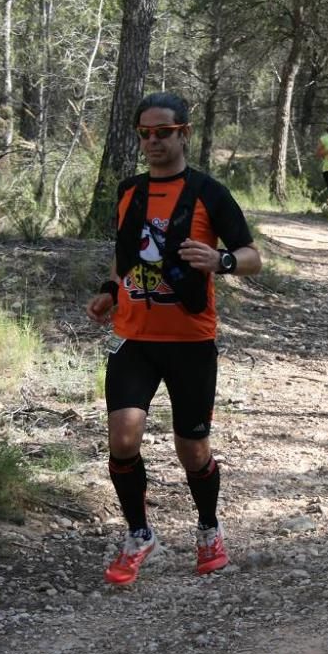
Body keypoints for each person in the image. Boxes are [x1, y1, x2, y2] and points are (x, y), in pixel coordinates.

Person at [85, 92, 262, 586]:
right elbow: (123, 259)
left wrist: (222, 261)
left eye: (163, 132)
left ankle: (208, 529)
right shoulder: (128, 192)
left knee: (194, 450)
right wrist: (108, 292)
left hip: (190, 342)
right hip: (134, 338)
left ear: (183, 133)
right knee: (122, 438)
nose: (153, 142)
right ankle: (138, 534)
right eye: (145, 133)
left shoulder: (209, 192)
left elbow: (252, 256)